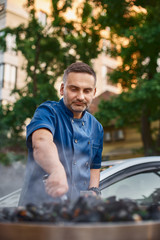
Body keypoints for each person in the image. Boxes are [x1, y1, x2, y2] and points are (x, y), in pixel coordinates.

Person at [19, 62, 104, 206]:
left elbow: (94, 166)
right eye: (74, 89)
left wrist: (94, 190)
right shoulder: (48, 112)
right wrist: (56, 170)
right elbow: (41, 143)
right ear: (62, 89)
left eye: (87, 91)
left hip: (76, 213)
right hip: (37, 210)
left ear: (94, 93)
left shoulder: (97, 127)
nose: (81, 97)